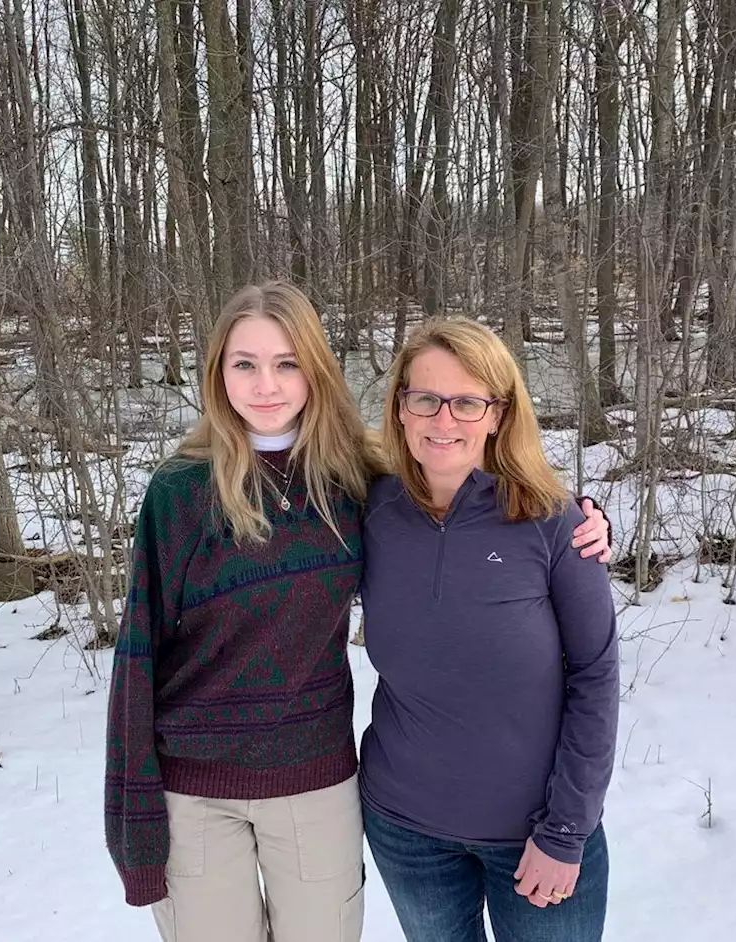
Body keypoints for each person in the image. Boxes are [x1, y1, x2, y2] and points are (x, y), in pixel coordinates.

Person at [104, 283, 612, 942]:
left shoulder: (348, 477)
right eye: (244, 363)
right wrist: (134, 830)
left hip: (319, 779)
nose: (266, 385)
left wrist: (580, 517)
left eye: (287, 363)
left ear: (315, 370)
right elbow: (136, 660)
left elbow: (474, 482)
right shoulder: (197, 494)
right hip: (219, 790)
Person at [358, 318, 620, 942]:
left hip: (535, 835)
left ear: (499, 413)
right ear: (400, 407)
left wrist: (565, 830)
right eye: (424, 398)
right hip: (405, 830)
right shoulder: (368, 509)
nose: (443, 419)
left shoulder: (555, 524)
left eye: (468, 402)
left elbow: (595, 676)